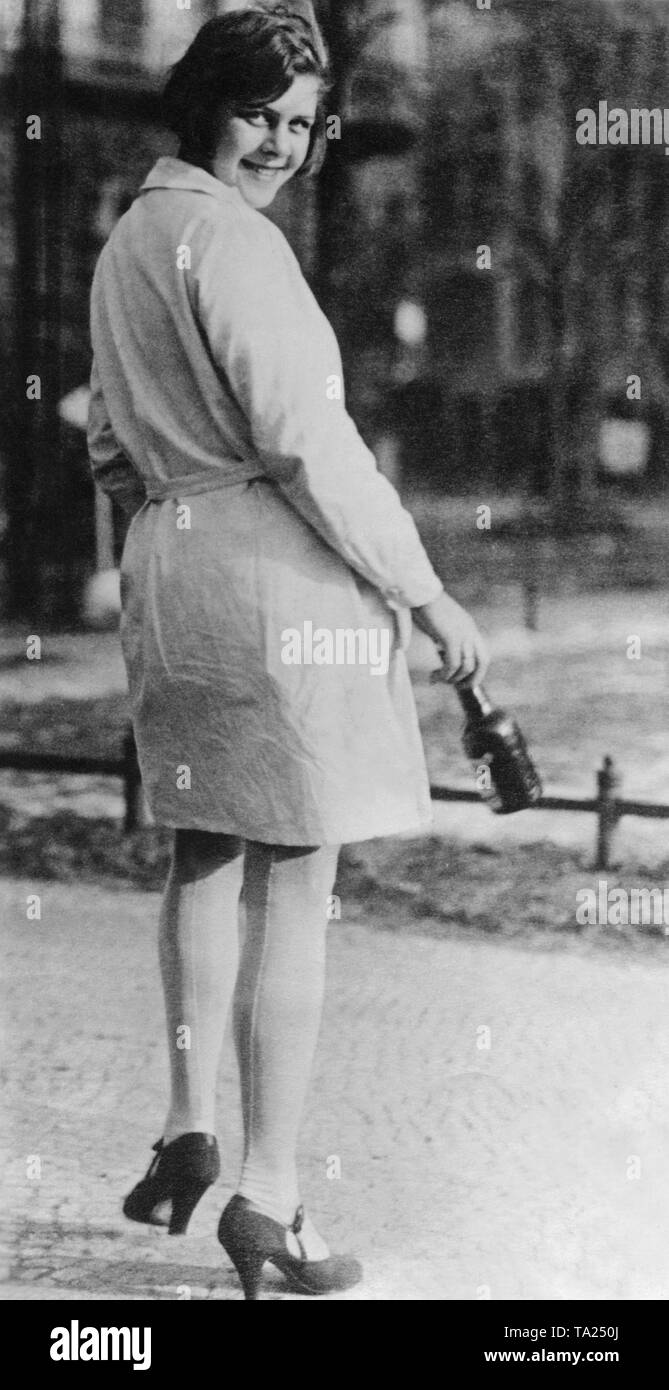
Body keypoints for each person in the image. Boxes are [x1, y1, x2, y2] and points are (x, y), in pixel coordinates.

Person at [87, 1, 488, 1301]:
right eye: (259, 110)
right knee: (297, 885)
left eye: (302, 124)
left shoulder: (127, 242)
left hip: (169, 572)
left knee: (202, 851)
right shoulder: (240, 247)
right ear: (207, 102)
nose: (279, 141)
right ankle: (268, 1191)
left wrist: (151, 556)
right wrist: (427, 600)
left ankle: (185, 1120)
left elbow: (103, 446)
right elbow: (315, 451)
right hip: (272, 586)